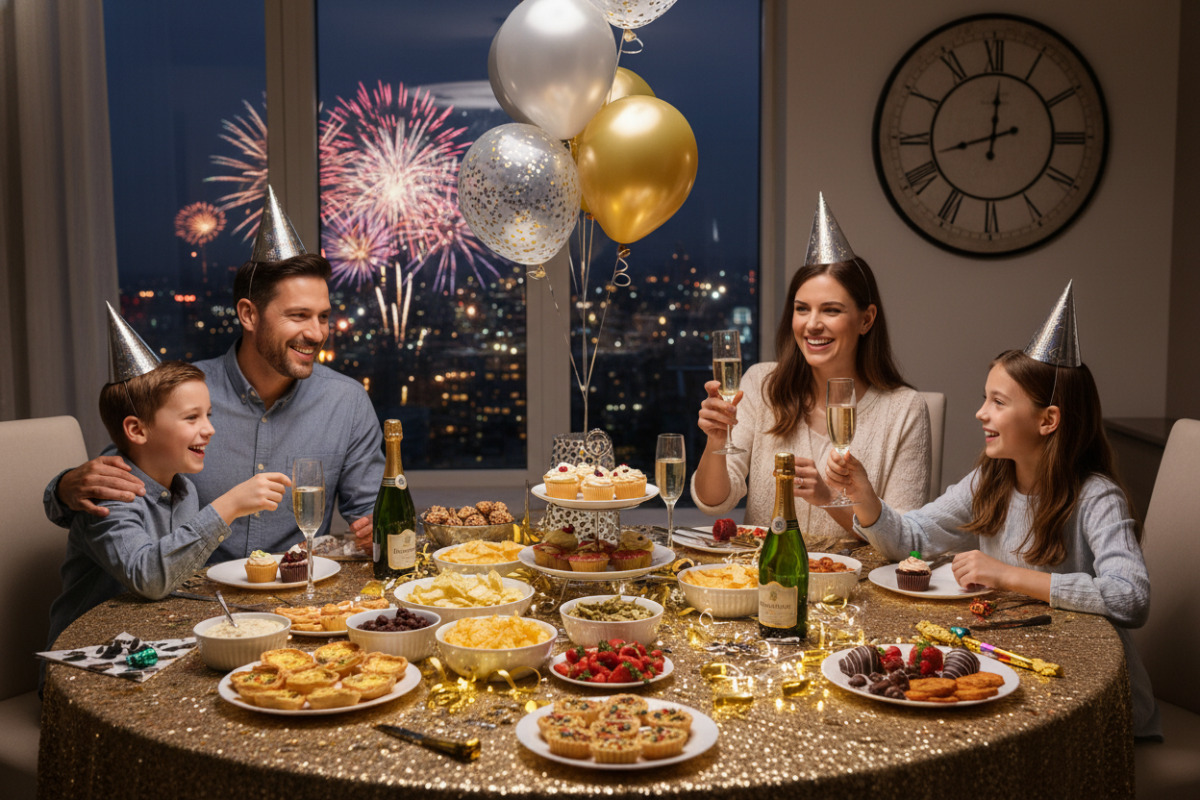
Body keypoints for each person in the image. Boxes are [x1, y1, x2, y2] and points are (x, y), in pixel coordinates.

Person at [827, 282, 1160, 739]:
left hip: (1098, 703)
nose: (981, 413)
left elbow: (1131, 597)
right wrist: (864, 496)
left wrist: (1007, 575)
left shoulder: (1097, 497)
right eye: (985, 398)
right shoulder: (992, 480)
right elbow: (911, 542)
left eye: (998, 402)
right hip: (1014, 670)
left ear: (1048, 420)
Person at [45, 187, 384, 560]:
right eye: (298, 316)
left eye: (323, 317)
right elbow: (119, 484)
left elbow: (372, 515)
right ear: (248, 315)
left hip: (292, 599)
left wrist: (380, 528)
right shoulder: (187, 393)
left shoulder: (347, 401)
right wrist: (64, 488)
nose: (317, 333)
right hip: (190, 601)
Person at [691, 193, 930, 550]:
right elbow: (714, 502)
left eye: (831, 310)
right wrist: (716, 440)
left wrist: (828, 498)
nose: (812, 325)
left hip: (855, 594)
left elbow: (902, 541)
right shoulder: (761, 384)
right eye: (802, 309)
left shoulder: (904, 410)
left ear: (866, 319)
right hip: (761, 582)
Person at [47, 308, 291, 649]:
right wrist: (228, 506)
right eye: (191, 418)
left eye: (208, 415)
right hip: (90, 657)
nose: (209, 429)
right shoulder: (108, 491)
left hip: (154, 645)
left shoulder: (184, 489)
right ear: (137, 429)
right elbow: (149, 577)